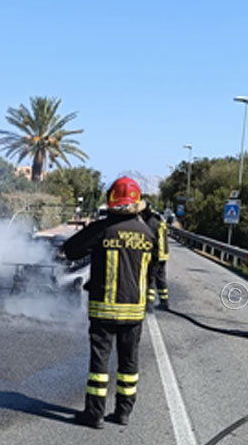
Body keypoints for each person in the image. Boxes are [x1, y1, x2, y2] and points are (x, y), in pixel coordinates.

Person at [63, 176, 157, 428]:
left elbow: (71, 251)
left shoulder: (102, 229)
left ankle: (94, 415)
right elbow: (154, 270)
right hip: (134, 311)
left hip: (103, 309)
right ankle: (123, 412)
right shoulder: (147, 233)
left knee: (99, 365)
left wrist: (89, 230)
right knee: (129, 363)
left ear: (111, 200)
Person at [141, 203, 170, 310]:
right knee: (161, 278)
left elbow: (149, 238)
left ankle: (149, 303)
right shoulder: (159, 220)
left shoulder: (151, 222)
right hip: (163, 254)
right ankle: (164, 301)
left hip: (156, 254)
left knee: (151, 278)